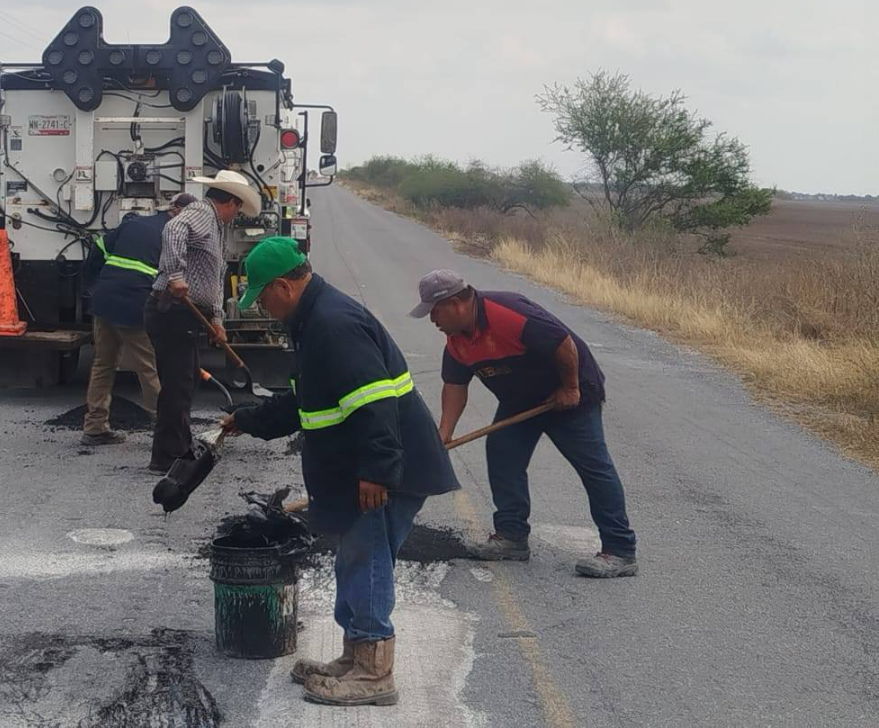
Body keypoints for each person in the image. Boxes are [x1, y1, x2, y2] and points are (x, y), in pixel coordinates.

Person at [220, 238, 459, 709]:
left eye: (262, 297)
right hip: (368, 465)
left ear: (285, 286)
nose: (262, 308)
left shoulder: (332, 324)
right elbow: (306, 400)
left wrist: (376, 472)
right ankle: (355, 658)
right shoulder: (312, 321)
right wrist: (248, 419)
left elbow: (374, 404)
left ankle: (374, 674)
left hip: (384, 469)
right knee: (356, 560)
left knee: (366, 562)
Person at [411, 268, 639, 578]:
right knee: (503, 454)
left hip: (570, 396)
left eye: (434, 312)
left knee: (593, 467)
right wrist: (444, 433)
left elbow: (563, 343)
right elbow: (455, 386)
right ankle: (512, 537)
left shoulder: (508, 314)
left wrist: (570, 388)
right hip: (520, 400)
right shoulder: (456, 342)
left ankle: (620, 550)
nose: (432, 320)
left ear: (455, 304)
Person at [146, 170, 261, 473]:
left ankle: (180, 445)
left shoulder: (216, 229)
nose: (236, 215)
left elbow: (214, 282)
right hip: (171, 310)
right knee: (177, 385)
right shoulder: (201, 211)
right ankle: (166, 456)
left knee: (186, 381)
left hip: (190, 313)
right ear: (231, 202)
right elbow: (173, 230)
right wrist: (175, 275)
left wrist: (218, 320)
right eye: (238, 208)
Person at [78, 194, 195, 446]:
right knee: (149, 367)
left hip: (104, 301)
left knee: (103, 364)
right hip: (133, 306)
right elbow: (174, 282)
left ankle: (95, 427)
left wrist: (91, 285)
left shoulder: (133, 224)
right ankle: (166, 427)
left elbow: (98, 249)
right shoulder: (173, 236)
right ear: (177, 211)